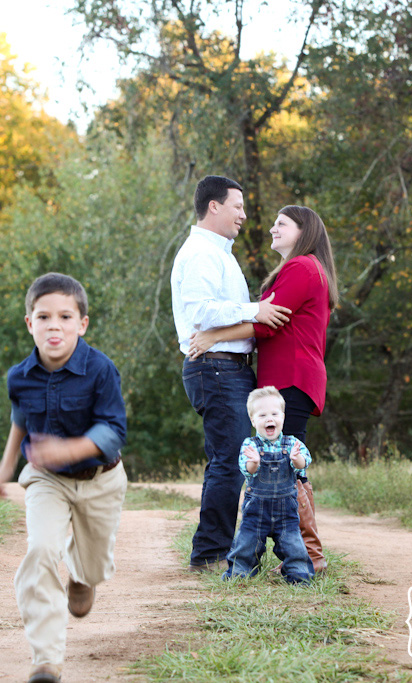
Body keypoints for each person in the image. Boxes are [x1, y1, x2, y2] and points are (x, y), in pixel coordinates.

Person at [0, 273, 128, 683]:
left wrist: (68, 448)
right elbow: (21, 417)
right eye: (43, 316)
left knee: (95, 564)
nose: (54, 325)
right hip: (46, 479)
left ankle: (83, 577)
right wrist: (6, 463)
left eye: (65, 316)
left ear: (82, 324)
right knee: (42, 550)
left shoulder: (101, 370)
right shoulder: (20, 376)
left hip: (101, 479)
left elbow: (112, 431)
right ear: (29, 323)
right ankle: (46, 660)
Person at [188, 205, 338, 572]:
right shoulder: (299, 268)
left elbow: (269, 323)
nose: (272, 228)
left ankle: (309, 557)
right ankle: (302, 554)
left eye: (281, 224)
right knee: (283, 465)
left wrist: (213, 337)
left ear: (304, 231)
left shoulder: (302, 268)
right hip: (290, 376)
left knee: (289, 466)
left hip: (292, 376)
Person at [170, 175, 291, 573]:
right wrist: (254, 309)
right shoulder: (202, 253)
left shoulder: (220, 253)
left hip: (226, 367)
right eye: (237, 206)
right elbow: (201, 311)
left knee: (230, 458)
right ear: (214, 206)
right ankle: (209, 553)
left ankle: (215, 548)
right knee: (229, 460)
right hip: (216, 368)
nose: (244, 214)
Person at [223, 386, 315, 584]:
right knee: (246, 544)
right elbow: (248, 470)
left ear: (283, 416)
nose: (269, 418)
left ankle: (299, 576)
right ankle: (240, 574)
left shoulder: (293, 444)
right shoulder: (250, 445)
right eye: (262, 415)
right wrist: (254, 462)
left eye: (274, 413)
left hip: (287, 512)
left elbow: (303, 466)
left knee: (294, 545)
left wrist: (296, 459)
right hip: (256, 510)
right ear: (253, 420)